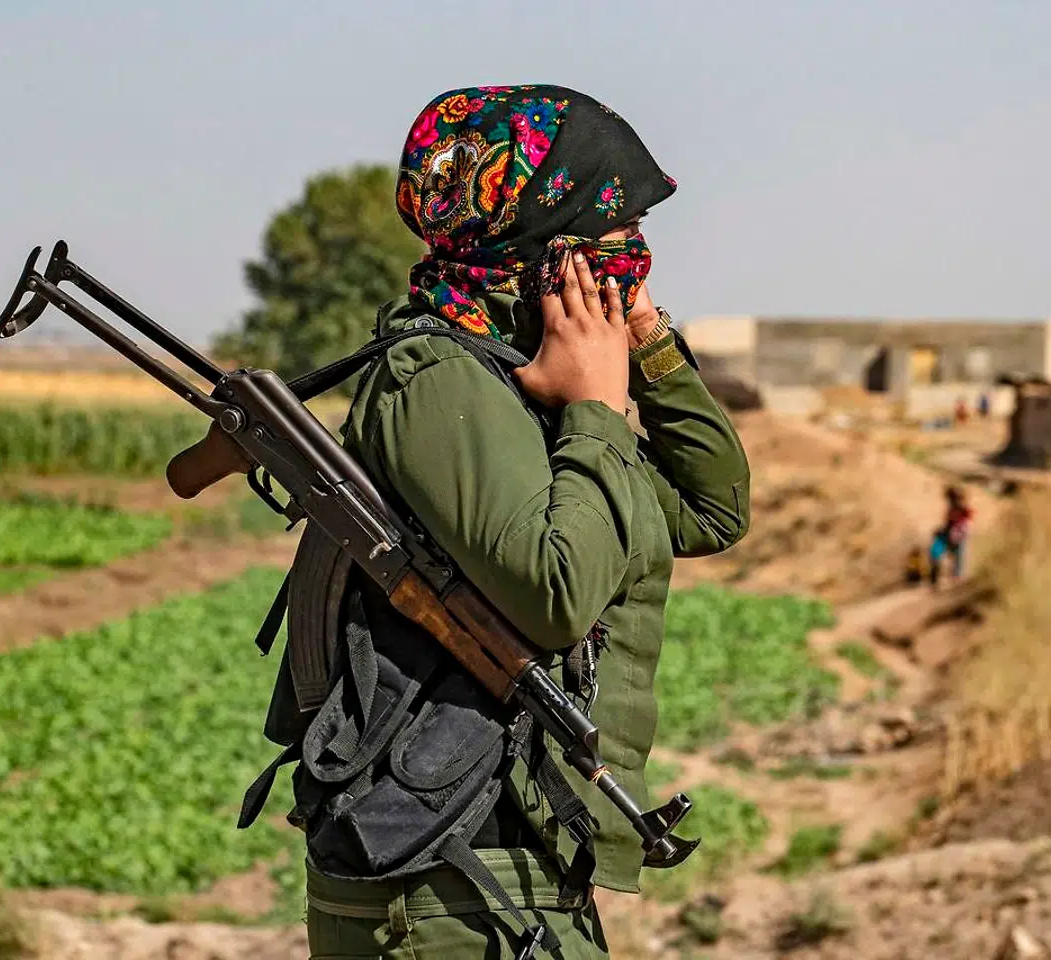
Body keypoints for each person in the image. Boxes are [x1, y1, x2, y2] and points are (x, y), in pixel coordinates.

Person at [299, 85, 751, 958]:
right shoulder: (434, 376)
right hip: (440, 887)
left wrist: (643, 339)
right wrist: (593, 407)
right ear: (535, 245)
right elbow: (555, 596)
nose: (633, 264)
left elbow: (711, 509)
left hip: (515, 871)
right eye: (612, 244)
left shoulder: (521, 377)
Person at [927, 485, 972, 588]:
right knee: (934, 551)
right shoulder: (951, 510)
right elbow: (948, 526)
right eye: (951, 499)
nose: (952, 501)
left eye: (954, 498)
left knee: (959, 551)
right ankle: (934, 578)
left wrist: (955, 533)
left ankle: (956, 575)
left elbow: (965, 528)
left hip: (958, 538)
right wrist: (940, 531)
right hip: (948, 536)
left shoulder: (965, 511)